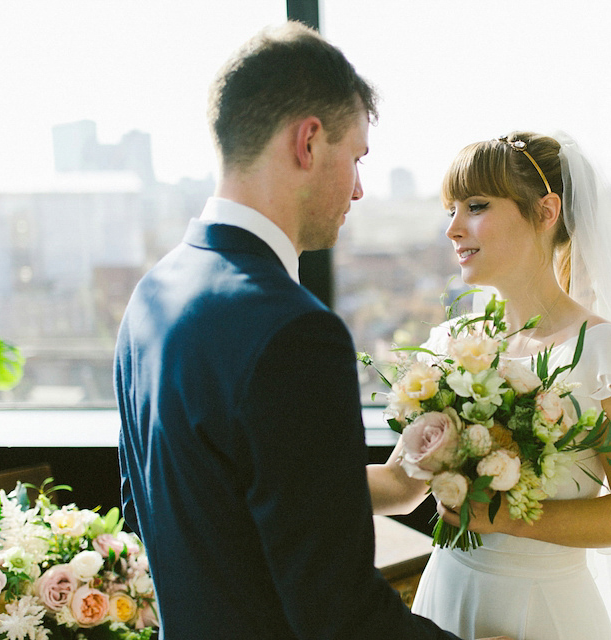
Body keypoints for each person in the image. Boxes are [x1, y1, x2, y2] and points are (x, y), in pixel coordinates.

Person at [115, 21, 508, 640]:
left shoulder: (152, 295)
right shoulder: (292, 331)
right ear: (308, 141)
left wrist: (395, 483)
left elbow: (166, 512)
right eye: (355, 158)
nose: (357, 188)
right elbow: (340, 612)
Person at [368, 132, 611, 639]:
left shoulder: (603, 354)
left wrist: (508, 517)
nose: (453, 228)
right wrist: (283, 484)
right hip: (446, 596)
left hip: (545, 611)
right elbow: (399, 486)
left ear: (546, 210)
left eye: (475, 206)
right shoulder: (457, 343)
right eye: (450, 210)